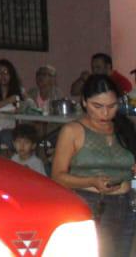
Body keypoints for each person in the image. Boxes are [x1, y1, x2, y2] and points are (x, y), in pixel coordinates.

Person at [51, 75, 136, 257]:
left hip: (127, 203)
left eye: (112, 106)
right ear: (84, 102)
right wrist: (91, 181)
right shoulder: (73, 131)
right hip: (92, 203)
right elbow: (57, 176)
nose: (105, 113)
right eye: (97, 106)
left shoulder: (124, 128)